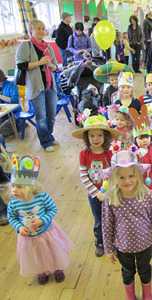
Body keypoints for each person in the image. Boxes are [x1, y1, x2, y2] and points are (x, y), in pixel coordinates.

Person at [102, 150, 152, 300]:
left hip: (144, 245)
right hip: (123, 247)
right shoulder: (110, 198)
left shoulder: (148, 195)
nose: (127, 181)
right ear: (114, 177)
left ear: (138, 175)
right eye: (121, 177)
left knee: (145, 270)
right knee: (127, 272)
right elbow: (107, 225)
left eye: (131, 176)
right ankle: (130, 296)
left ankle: (147, 295)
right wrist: (108, 249)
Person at [7, 155, 73, 284]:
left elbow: (52, 209)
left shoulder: (42, 197)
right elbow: (12, 217)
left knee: (53, 253)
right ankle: (41, 272)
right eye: (13, 186)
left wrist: (41, 220)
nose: (14, 190)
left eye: (19, 187)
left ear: (30, 187)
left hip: (47, 234)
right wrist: (19, 227)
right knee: (35, 256)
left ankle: (57, 269)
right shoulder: (13, 204)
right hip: (29, 239)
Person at [72, 115, 121, 257]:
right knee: (99, 221)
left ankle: (114, 243)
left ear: (105, 136)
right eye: (92, 135)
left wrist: (111, 191)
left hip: (112, 194)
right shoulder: (84, 154)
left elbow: (115, 173)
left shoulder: (110, 153)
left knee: (114, 218)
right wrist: (96, 193)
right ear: (87, 138)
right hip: (94, 196)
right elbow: (84, 175)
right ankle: (100, 242)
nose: (96, 139)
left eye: (99, 135)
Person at [15, 19, 59, 152]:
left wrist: (51, 66)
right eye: (38, 28)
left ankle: (49, 136)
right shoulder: (25, 46)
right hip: (35, 88)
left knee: (51, 116)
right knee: (41, 117)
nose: (41, 31)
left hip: (50, 87)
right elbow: (21, 65)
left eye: (43, 28)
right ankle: (45, 142)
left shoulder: (48, 47)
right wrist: (39, 63)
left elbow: (56, 66)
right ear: (31, 30)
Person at [131, 106, 152, 192]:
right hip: (140, 178)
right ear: (135, 140)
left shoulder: (151, 147)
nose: (145, 140)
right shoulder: (134, 150)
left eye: (147, 137)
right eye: (141, 138)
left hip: (150, 176)